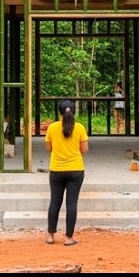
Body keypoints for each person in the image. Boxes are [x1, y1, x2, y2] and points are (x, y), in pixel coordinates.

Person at [43, 98, 89, 246]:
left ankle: (50, 235)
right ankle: (68, 238)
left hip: (56, 169)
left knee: (55, 202)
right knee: (71, 203)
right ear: (73, 111)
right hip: (76, 169)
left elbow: (49, 149)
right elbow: (84, 150)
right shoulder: (80, 128)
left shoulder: (52, 128)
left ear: (59, 112)